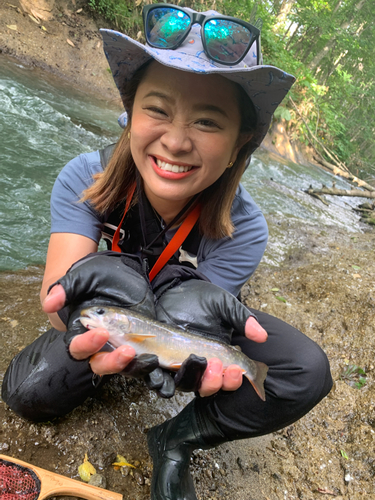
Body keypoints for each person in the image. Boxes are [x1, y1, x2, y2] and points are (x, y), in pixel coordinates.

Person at [1, 4, 333, 500]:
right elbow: (57, 312)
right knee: (26, 395)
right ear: (131, 112)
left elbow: (198, 331)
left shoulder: (244, 228)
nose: (176, 141)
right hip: (105, 330)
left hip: (180, 338)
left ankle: (177, 439)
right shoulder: (84, 180)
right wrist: (88, 286)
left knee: (307, 372)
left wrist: (191, 318)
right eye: (157, 109)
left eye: (207, 121)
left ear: (241, 141)